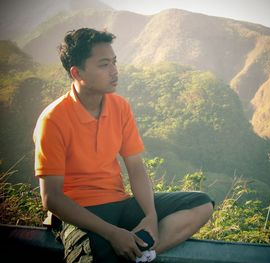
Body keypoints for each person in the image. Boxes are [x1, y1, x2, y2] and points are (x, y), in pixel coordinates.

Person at [33, 27, 214, 263]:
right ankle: (128, 251)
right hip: (79, 214)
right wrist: (112, 233)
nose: (114, 71)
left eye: (114, 62)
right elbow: (52, 198)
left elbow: (136, 167)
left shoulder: (119, 107)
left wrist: (150, 216)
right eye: (104, 65)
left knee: (200, 204)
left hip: (120, 203)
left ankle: (143, 255)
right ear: (77, 73)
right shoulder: (53, 119)